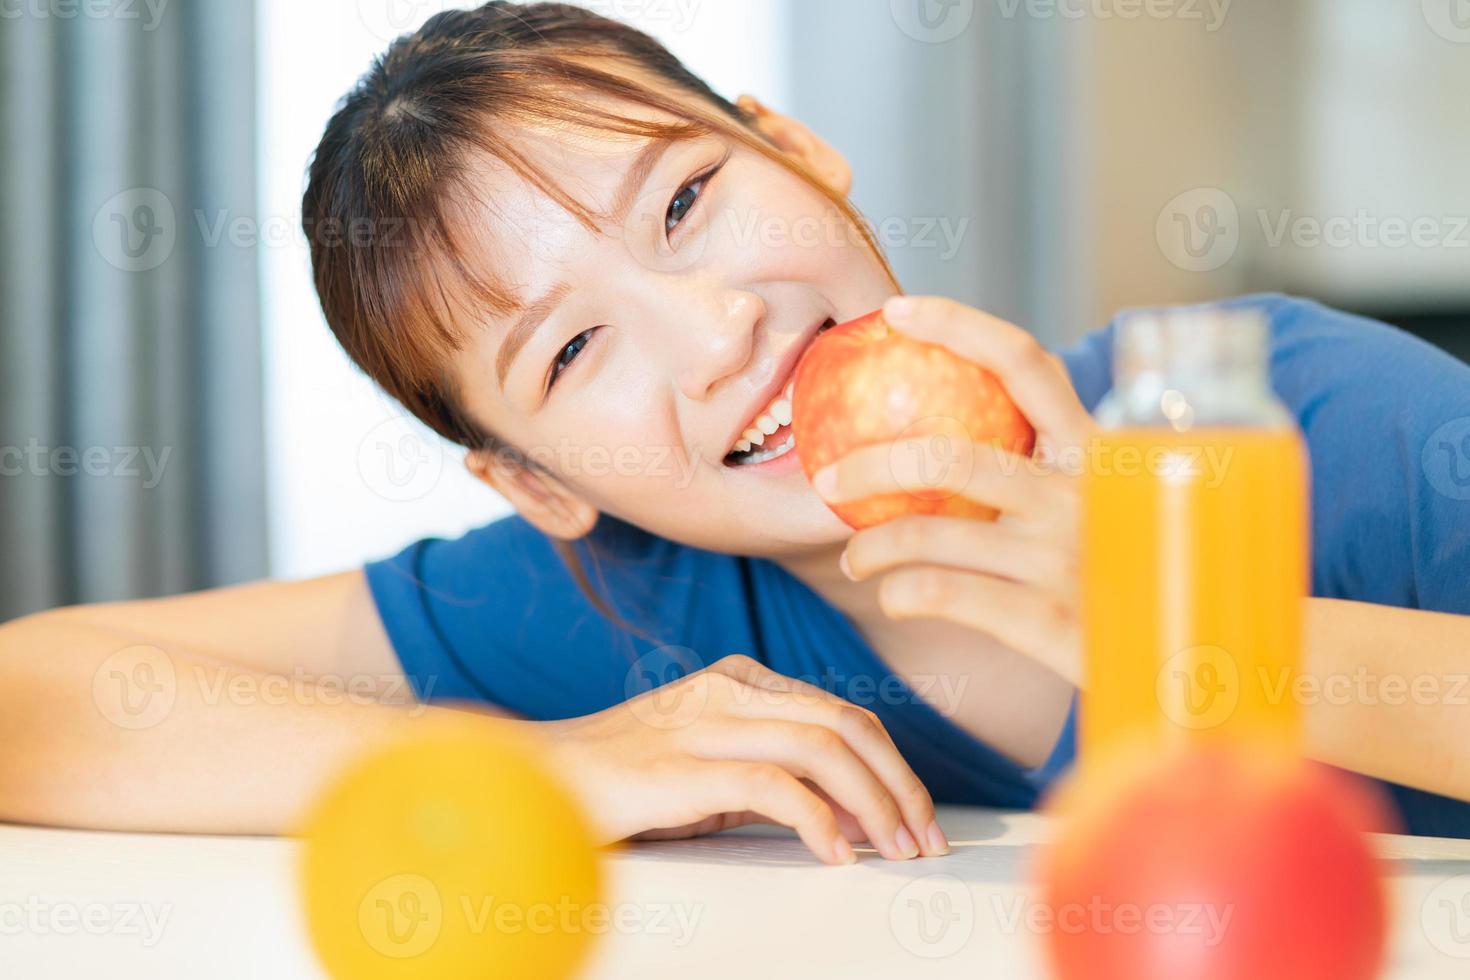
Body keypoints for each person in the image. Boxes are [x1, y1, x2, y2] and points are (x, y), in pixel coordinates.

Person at [3, 3, 1468, 859]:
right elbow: (34, 698)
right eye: (573, 349)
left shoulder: (1288, 416)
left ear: (799, 151)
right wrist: (552, 769)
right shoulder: (643, 602)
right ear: (538, 483)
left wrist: (1195, 631)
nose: (720, 333)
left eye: (688, 204)